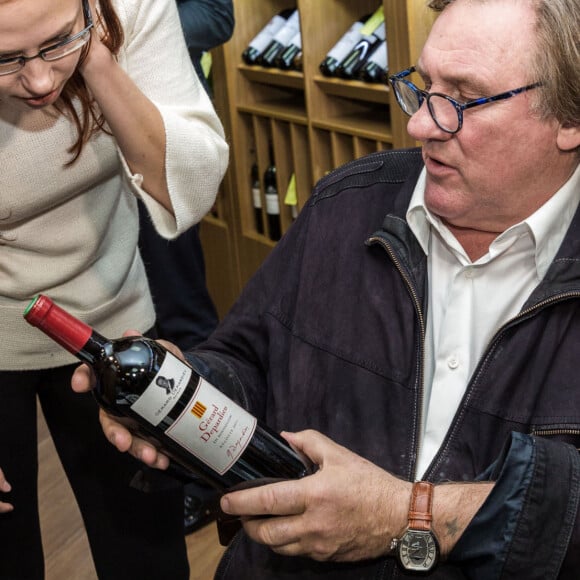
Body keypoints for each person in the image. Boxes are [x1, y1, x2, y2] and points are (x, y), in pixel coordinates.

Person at [71, 0, 580, 578]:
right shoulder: (344, 205)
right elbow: (248, 362)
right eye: (423, 86)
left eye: (462, 98)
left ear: (569, 117)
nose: (419, 125)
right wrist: (188, 393)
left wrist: (408, 514)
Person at [0, 0, 228, 578]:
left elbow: (192, 186)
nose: (40, 81)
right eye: (5, 59)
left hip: (116, 319)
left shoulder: (129, 7)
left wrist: (98, 58)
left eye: (55, 44)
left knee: (145, 552)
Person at [137, 0, 234, 534]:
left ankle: (212, 480)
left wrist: (120, 33)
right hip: (83, 167)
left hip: (157, 146)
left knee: (184, 314)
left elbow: (217, 17)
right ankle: (154, 472)